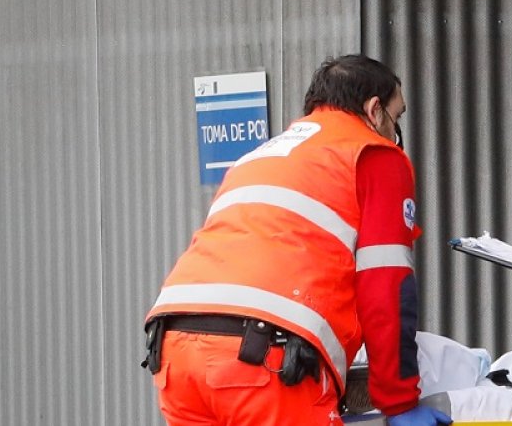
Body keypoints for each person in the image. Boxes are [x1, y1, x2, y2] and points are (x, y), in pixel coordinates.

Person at [141, 55, 452, 426]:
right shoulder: (372, 155)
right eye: (396, 118)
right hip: (262, 363)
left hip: (175, 352)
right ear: (374, 110)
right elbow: (385, 286)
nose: (394, 134)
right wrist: (400, 401)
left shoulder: (255, 158)